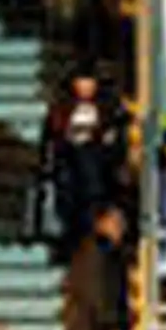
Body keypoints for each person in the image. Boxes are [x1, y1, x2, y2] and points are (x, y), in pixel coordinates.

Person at [39, 69, 129, 256]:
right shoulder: (61, 110)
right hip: (77, 162)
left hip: (89, 163)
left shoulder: (107, 109)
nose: (85, 87)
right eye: (81, 82)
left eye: (88, 82)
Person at [62, 204, 130, 330]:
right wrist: (111, 327)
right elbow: (98, 293)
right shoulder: (98, 254)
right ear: (101, 223)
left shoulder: (100, 253)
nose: (120, 229)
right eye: (115, 223)